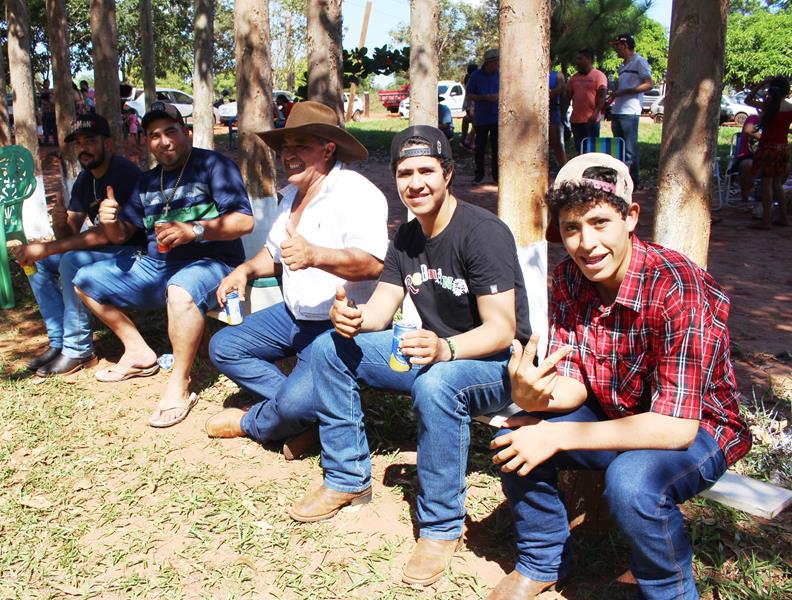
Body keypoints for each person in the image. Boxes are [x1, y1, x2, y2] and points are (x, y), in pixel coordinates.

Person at [487, 153, 751, 600]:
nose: (586, 243)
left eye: (599, 222)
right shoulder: (569, 277)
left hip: (698, 428)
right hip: (616, 408)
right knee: (516, 436)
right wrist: (534, 398)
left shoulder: (676, 286)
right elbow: (574, 380)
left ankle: (670, 591)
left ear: (630, 218)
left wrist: (558, 437)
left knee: (631, 482)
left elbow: (675, 427)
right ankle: (543, 559)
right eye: (572, 228)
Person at [289, 125, 533, 587]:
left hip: (497, 366)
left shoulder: (483, 233)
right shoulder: (405, 237)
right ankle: (346, 478)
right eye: (405, 173)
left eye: (426, 170)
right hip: (434, 352)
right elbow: (381, 312)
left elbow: (502, 331)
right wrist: (351, 318)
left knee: (436, 383)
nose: (415, 182)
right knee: (327, 347)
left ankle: (441, 527)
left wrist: (446, 348)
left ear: (448, 173)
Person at [205, 101, 388, 460]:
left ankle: (256, 422)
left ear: (328, 148)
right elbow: (274, 253)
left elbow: (373, 264)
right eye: (285, 147)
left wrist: (316, 255)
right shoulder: (291, 195)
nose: (288, 155)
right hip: (293, 316)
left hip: (338, 327)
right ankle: (311, 417)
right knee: (224, 347)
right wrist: (243, 270)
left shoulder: (355, 192)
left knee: (291, 404)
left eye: (301, 146)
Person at [73, 101, 254, 428]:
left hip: (212, 261)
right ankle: (138, 351)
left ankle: (179, 385)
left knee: (181, 290)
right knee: (84, 278)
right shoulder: (147, 181)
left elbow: (243, 221)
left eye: (170, 131)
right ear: (147, 142)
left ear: (184, 132)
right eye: (154, 135)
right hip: (157, 267)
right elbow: (121, 234)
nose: (164, 140)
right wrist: (109, 219)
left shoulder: (213, 165)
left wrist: (195, 230)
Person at [16, 114, 145, 376]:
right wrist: (59, 221)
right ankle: (59, 340)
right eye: (78, 143)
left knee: (70, 260)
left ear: (107, 143)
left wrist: (48, 247)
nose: (83, 148)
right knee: (39, 263)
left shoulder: (124, 174)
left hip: (136, 252)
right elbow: (70, 234)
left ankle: (79, 350)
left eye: (90, 140)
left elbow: (108, 235)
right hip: (110, 251)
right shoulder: (85, 180)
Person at [745, 75, 791, 228]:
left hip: (768, 148)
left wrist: (762, 83)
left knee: (767, 184)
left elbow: (747, 100)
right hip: (783, 148)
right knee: (777, 184)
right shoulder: (789, 108)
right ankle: (783, 217)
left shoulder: (768, 105)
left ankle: (766, 220)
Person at [607, 33, 653, 187]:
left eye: (617, 46)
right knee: (618, 148)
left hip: (630, 112)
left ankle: (633, 183)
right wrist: (612, 96)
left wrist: (626, 91)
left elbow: (649, 84)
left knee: (630, 151)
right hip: (617, 111)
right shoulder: (622, 66)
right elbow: (619, 89)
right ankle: (621, 181)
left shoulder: (639, 62)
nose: (616, 50)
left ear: (625, 45)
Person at [466, 48, 500, 184]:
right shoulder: (475, 76)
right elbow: (469, 95)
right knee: (480, 148)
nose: (498, 64)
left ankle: (497, 176)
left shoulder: (501, 75)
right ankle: (479, 175)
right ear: (489, 62)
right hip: (481, 118)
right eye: (496, 61)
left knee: (497, 148)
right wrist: (484, 98)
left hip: (497, 118)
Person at [565, 49, 608, 154]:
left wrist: (596, 113)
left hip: (591, 120)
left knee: (591, 151)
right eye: (577, 58)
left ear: (588, 59)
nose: (577, 61)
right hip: (576, 121)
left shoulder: (599, 76)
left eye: (580, 58)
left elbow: (602, 95)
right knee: (579, 150)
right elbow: (567, 97)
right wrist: (563, 114)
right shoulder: (574, 78)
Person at [729, 113, 761, 204]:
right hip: (746, 156)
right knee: (749, 165)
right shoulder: (753, 119)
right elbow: (748, 130)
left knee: (786, 167)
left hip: (766, 157)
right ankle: (745, 198)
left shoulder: (775, 122)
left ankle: (763, 196)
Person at [548, 70, 567, 167]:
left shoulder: (558, 75)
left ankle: (563, 167)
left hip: (554, 112)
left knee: (557, 144)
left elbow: (561, 89)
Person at [461, 63, 477, 150]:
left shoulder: (472, 79)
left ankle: (469, 140)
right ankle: (469, 141)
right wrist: (469, 108)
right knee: (478, 122)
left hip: (473, 107)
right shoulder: (470, 80)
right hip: (470, 106)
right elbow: (469, 97)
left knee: (478, 122)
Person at [39, 79, 57, 146]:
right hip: (46, 113)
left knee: (54, 128)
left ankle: (56, 142)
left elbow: (53, 102)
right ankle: (46, 142)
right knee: (46, 129)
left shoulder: (51, 92)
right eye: (46, 83)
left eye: (48, 83)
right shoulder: (43, 92)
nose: (48, 85)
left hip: (52, 112)